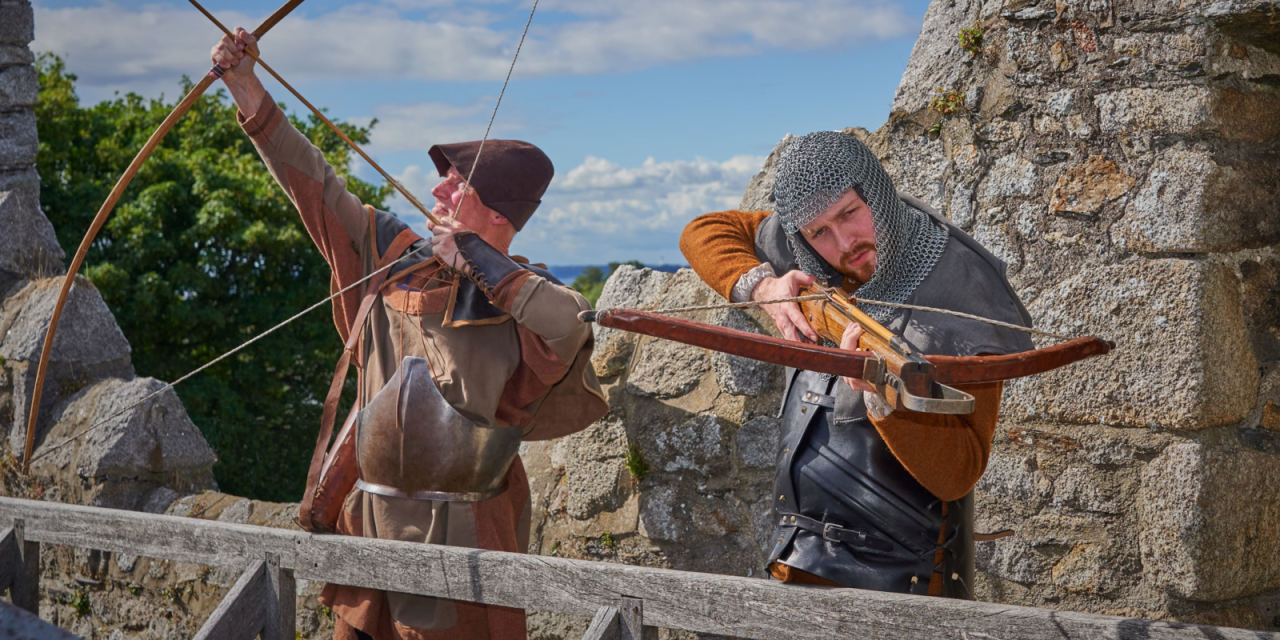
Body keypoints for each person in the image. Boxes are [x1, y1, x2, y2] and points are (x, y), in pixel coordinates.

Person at [211, 28, 608, 640]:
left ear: (497, 216)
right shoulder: (390, 250)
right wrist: (247, 88)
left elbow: (569, 325)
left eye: (457, 184)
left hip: (466, 528)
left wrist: (477, 262)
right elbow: (315, 185)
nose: (436, 190)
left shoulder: (530, 293)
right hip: (369, 513)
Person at [679, 130, 1033, 598]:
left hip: (908, 580)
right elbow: (703, 231)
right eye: (819, 232)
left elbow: (958, 473)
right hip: (796, 565)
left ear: (875, 191)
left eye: (850, 213)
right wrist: (765, 289)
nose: (844, 243)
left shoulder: (963, 287)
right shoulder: (807, 256)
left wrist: (881, 395)